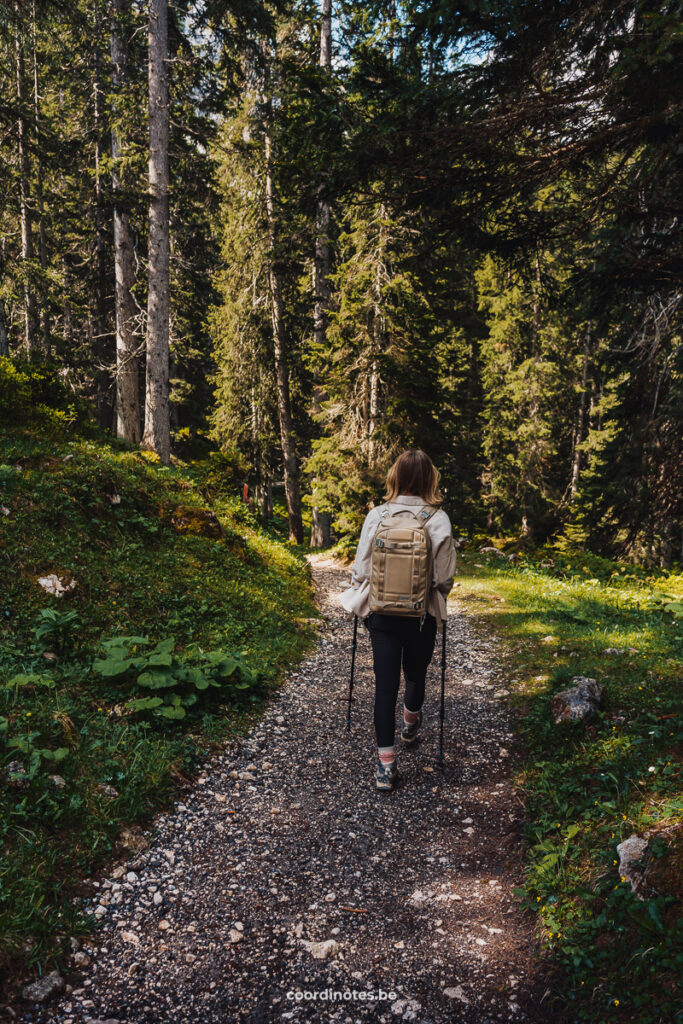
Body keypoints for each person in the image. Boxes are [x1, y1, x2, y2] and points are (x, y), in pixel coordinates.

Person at [339, 449, 457, 790]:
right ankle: (410, 723)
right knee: (416, 674)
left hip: (382, 615)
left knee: (385, 685)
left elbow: (361, 570)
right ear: (429, 479)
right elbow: (444, 580)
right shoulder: (438, 519)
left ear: (395, 477)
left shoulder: (377, 515)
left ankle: (385, 767)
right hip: (421, 616)